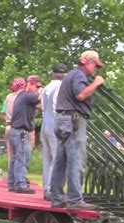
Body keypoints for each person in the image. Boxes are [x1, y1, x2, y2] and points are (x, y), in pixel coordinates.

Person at [50, 50, 105, 210]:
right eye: (95, 65)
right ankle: (75, 200)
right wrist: (96, 83)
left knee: (61, 160)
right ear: (87, 62)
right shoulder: (79, 75)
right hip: (73, 119)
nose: (96, 70)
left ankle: (57, 198)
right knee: (76, 160)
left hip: (62, 118)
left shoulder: (72, 74)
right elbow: (80, 95)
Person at [7, 75, 42, 193]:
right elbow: (42, 97)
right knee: (22, 156)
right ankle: (20, 184)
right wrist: (44, 91)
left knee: (16, 157)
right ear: (29, 84)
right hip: (21, 132)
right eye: (36, 86)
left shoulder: (23, 97)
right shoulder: (28, 96)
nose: (37, 89)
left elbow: (39, 104)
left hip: (16, 131)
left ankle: (12, 183)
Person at [40, 63, 68, 201]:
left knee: (47, 159)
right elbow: (59, 107)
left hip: (45, 123)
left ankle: (46, 187)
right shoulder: (60, 87)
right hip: (55, 123)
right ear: (64, 74)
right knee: (57, 159)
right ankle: (52, 190)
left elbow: (44, 108)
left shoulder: (46, 88)